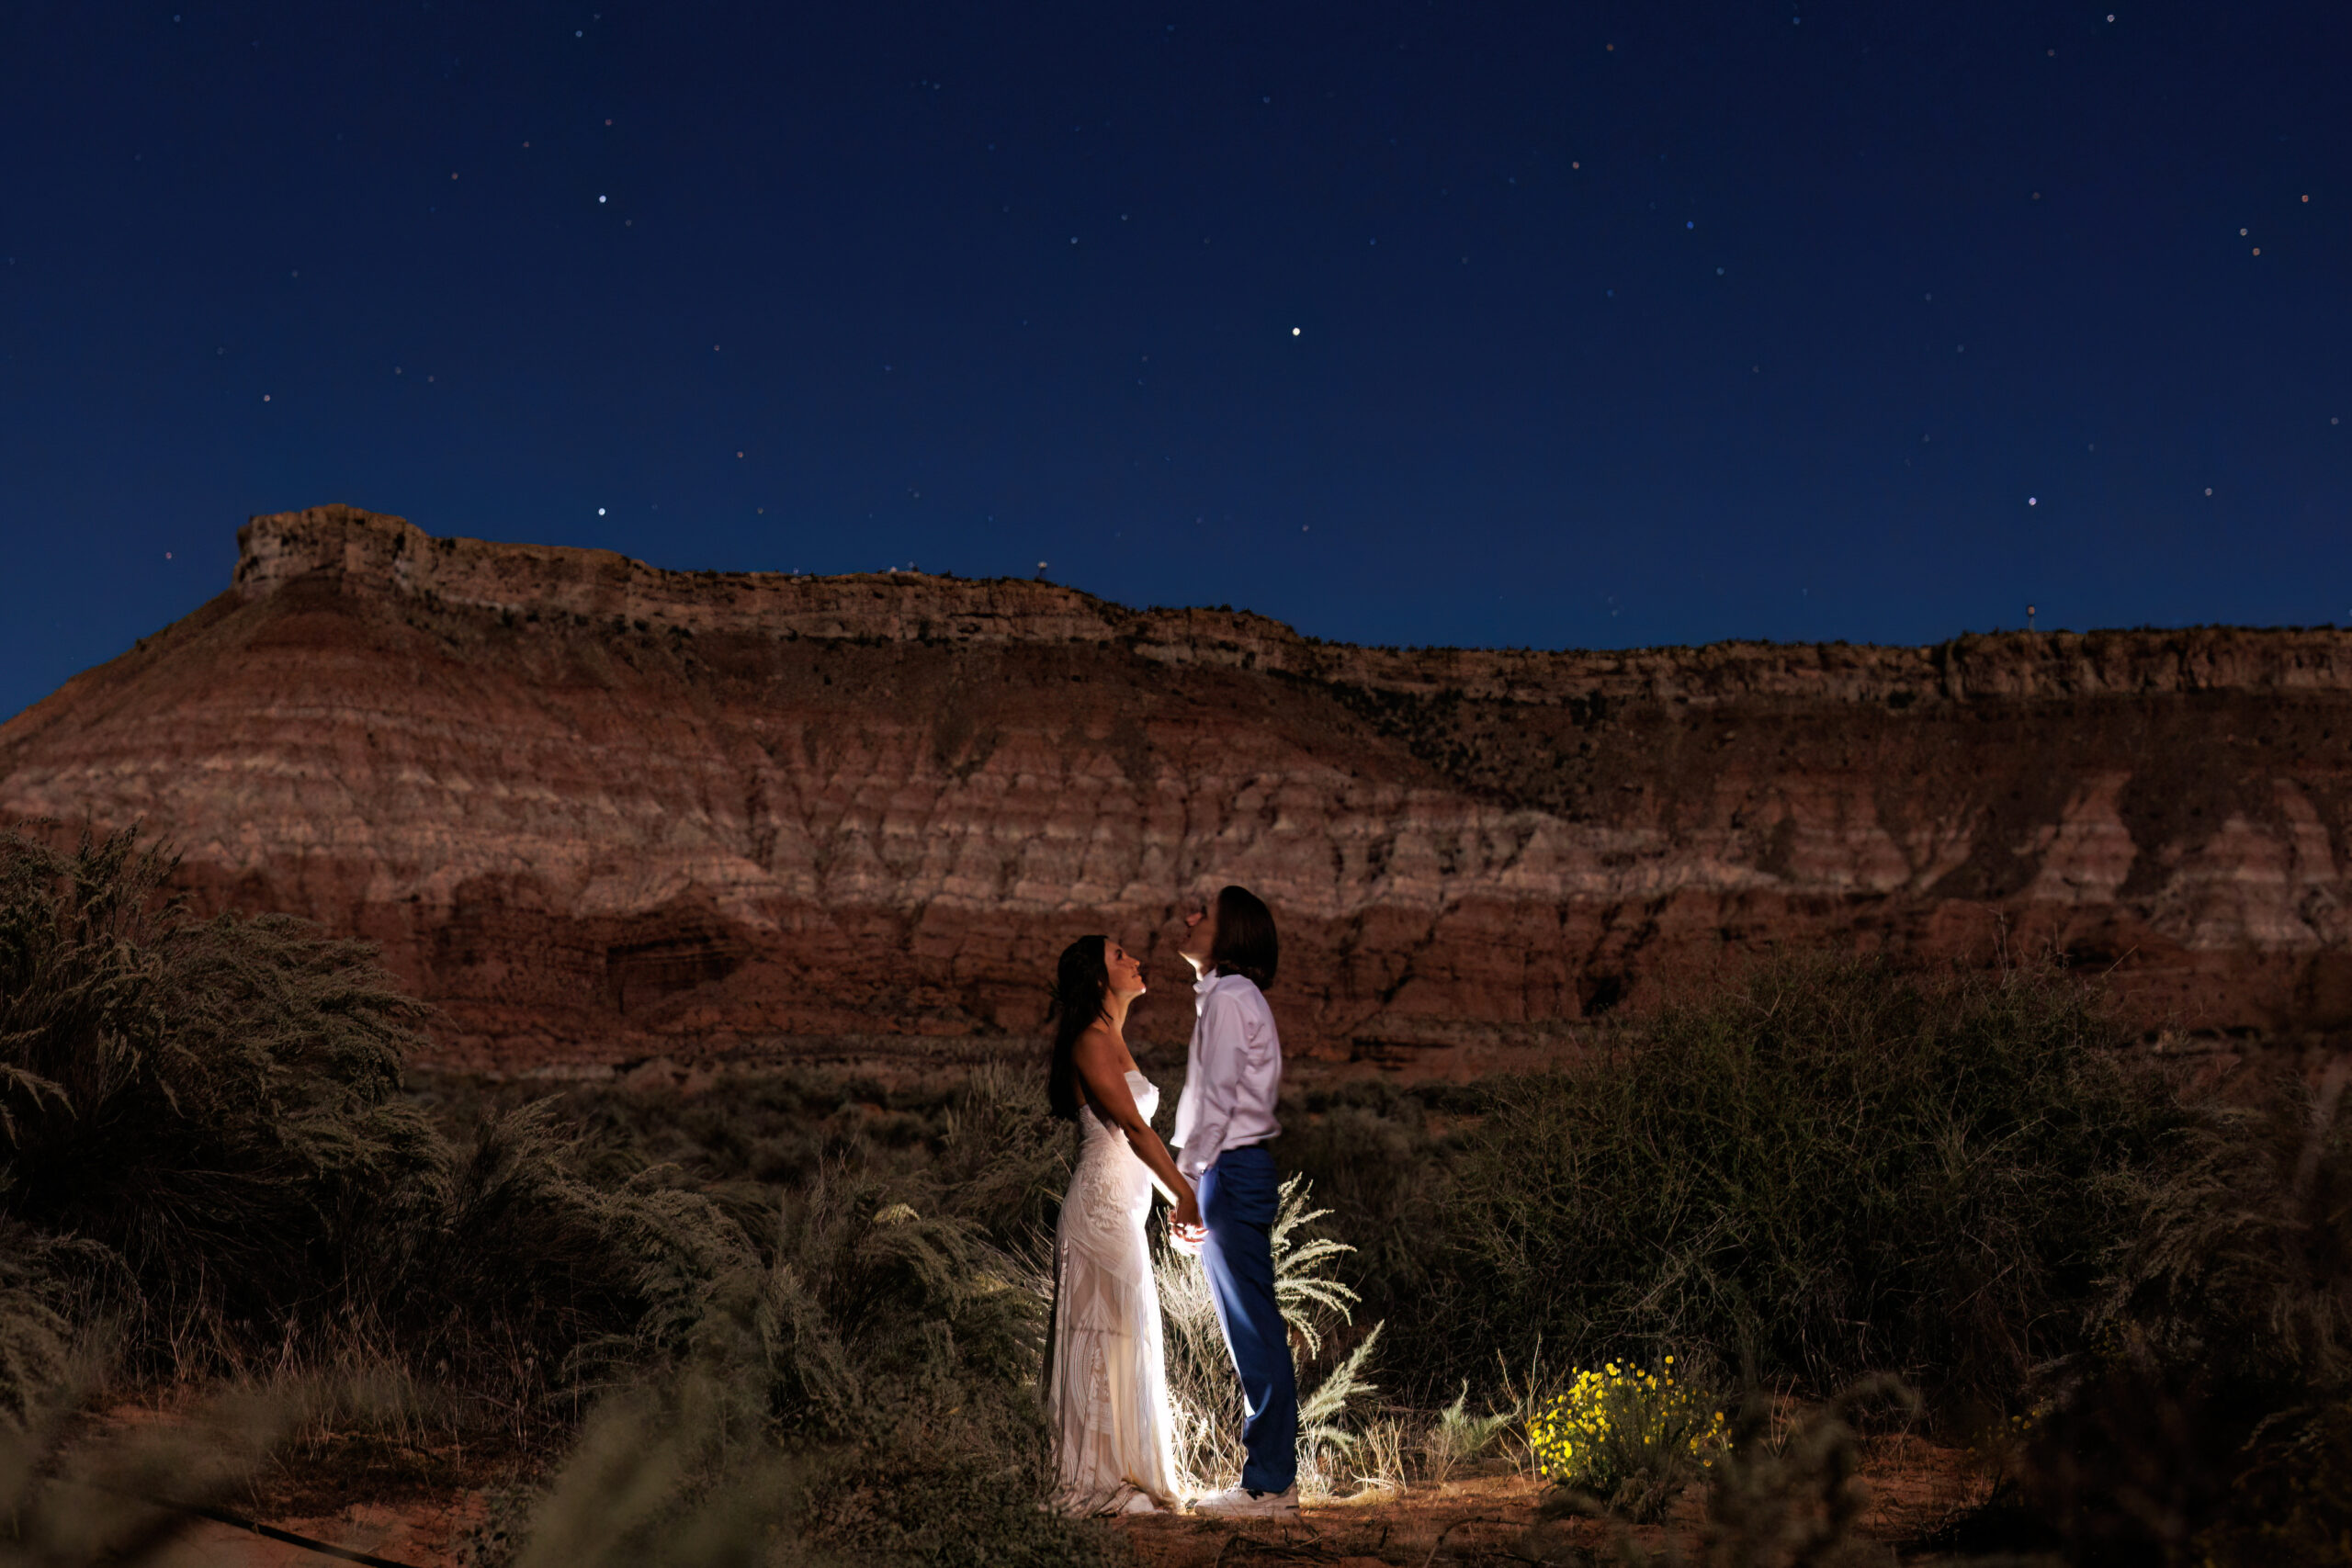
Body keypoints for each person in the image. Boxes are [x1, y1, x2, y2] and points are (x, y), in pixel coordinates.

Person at [1046, 933, 1201, 1516]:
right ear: (1097, 977)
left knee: (1126, 1338)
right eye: (1119, 956)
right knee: (1101, 1343)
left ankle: (1126, 1475)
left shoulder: (1113, 1038)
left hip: (1125, 1211)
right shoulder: (1090, 1039)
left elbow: (1137, 1140)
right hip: (1098, 1215)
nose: (1135, 960)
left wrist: (1172, 1202)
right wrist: (1183, 1194)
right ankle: (1097, 1481)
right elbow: (1135, 1132)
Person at [1170, 885, 1299, 1518]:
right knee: (1248, 1323)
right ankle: (1268, 1478)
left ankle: (1271, 1484)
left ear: (1232, 934)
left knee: (1253, 1325)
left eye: (1206, 915)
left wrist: (1188, 1183)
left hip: (1232, 1167)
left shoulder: (1230, 997)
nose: (1190, 918)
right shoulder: (1229, 998)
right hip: (1231, 1167)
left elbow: (1217, 1098)